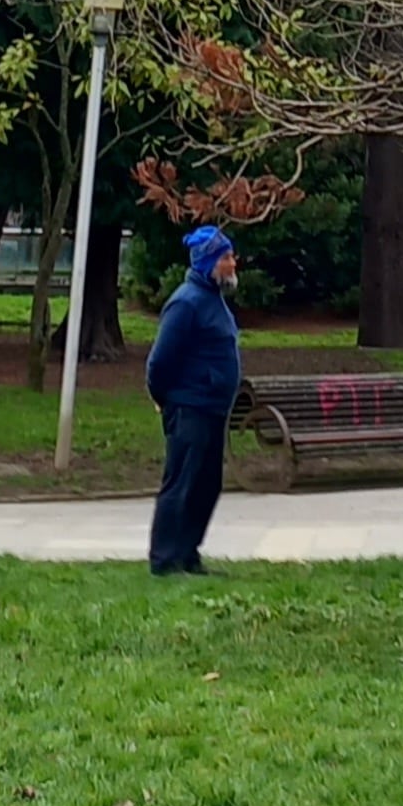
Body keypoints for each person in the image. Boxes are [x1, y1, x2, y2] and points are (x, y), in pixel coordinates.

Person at [145, 225, 244, 577]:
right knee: (182, 483)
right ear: (210, 264)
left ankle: (188, 554)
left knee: (206, 485)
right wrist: (165, 400)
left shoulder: (212, 300)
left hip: (213, 409)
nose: (234, 263)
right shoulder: (186, 303)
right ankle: (165, 559)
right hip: (190, 409)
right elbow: (159, 362)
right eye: (227, 257)